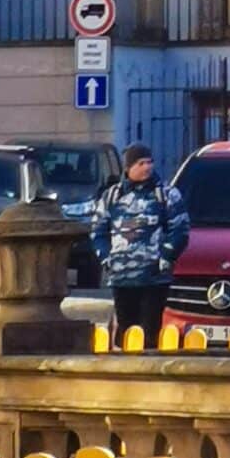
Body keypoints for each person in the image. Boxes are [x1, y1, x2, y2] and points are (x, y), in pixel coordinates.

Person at [89, 144, 189, 346]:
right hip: (122, 278)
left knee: (150, 331)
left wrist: (166, 257)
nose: (147, 167)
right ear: (128, 168)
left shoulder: (167, 194)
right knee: (126, 331)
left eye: (149, 162)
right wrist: (106, 258)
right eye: (141, 163)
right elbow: (98, 230)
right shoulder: (112, 196)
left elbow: (180, 229)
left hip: (154, 278)